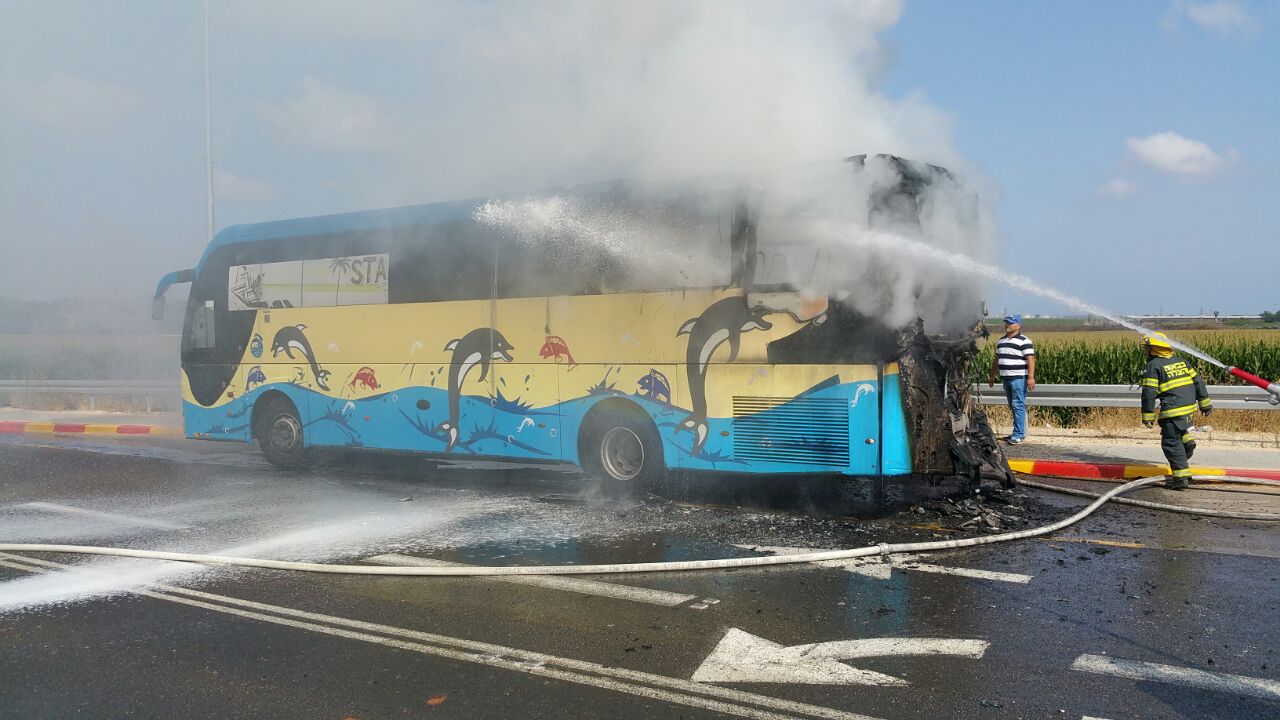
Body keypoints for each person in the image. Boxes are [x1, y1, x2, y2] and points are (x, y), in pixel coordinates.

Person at [1140, 332, 1212, 490]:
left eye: (1148, 348)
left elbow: (1149, 392)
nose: (1146, 351)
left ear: (1154, 349)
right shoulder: (1181, 361)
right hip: (1188, 408)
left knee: (1171, 443)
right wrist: (1205, 403)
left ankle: (1180, 479)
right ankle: (1187, 442)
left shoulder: (1153, 366)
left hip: (1173, 409)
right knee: (1177, 432)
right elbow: (1198, 381)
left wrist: (1147, 415)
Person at [988, 314, 1036, 444]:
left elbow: (1030, 359)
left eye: (1010, 323)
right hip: (1006, 378)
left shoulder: (1024, 341)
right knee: (1012, 405)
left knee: (1017, 405)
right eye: (1006, 323)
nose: (1007, 325)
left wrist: (1031, 377)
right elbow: (996, 360)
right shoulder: (1001, 341)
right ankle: (1016, 432)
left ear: (1018, 325)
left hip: (1018, 378)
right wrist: (992, 376)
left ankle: (1019, 435)